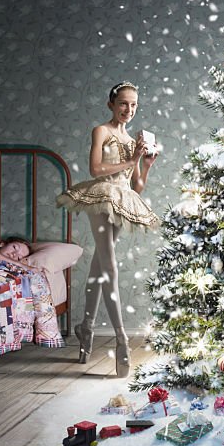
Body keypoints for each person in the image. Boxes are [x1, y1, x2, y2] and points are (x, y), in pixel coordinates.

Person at [56, 82, 161, 375]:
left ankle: (85, 328)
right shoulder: (102, 131)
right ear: (111, 105)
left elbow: (136, 186)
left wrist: (146, 162)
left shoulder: (132, 140)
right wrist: (132, 158)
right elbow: (95, 169)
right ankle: (121, 338)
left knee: (99, 266)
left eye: (134, 105)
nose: (128, 110)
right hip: (101, 195)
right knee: (109, 266)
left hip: (122, 198)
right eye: (123, 104)